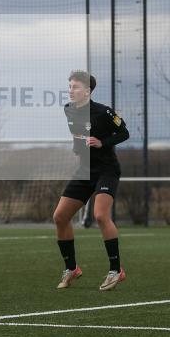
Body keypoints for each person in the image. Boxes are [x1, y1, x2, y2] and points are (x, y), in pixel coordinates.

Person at [53, 71, 130, 291]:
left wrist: (102, 142)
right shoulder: (68, 109)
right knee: (60, 217)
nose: (71, 90)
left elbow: (124, 133)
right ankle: (72, 268)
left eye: (75, 86)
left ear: (87, 91)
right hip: (85, 170)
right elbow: (78, 135)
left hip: (107, 170)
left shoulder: (104, 112)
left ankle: (116, 270)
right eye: (70, 86)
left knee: (100, 215)